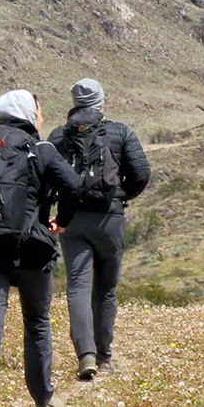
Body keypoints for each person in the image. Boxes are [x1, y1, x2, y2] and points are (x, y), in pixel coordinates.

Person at [0, 89, 82, 407]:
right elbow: (74, 185)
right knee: (37, 321)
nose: (42, 118)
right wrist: (64, 220)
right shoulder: (40, 149)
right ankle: (44, 400)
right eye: (39, 112)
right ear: (29, 114)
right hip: (31, 246)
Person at [47, 78, 152, 382]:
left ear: (75, 103)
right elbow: (141, 174)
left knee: (78, 287)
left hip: (72, 220)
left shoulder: (59, 135)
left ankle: (86, 356)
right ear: (101, 102)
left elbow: (46, 175)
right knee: (105, 290)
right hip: (110, 219)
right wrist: (120, 196)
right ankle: (104, 357)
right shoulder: (120, 132)